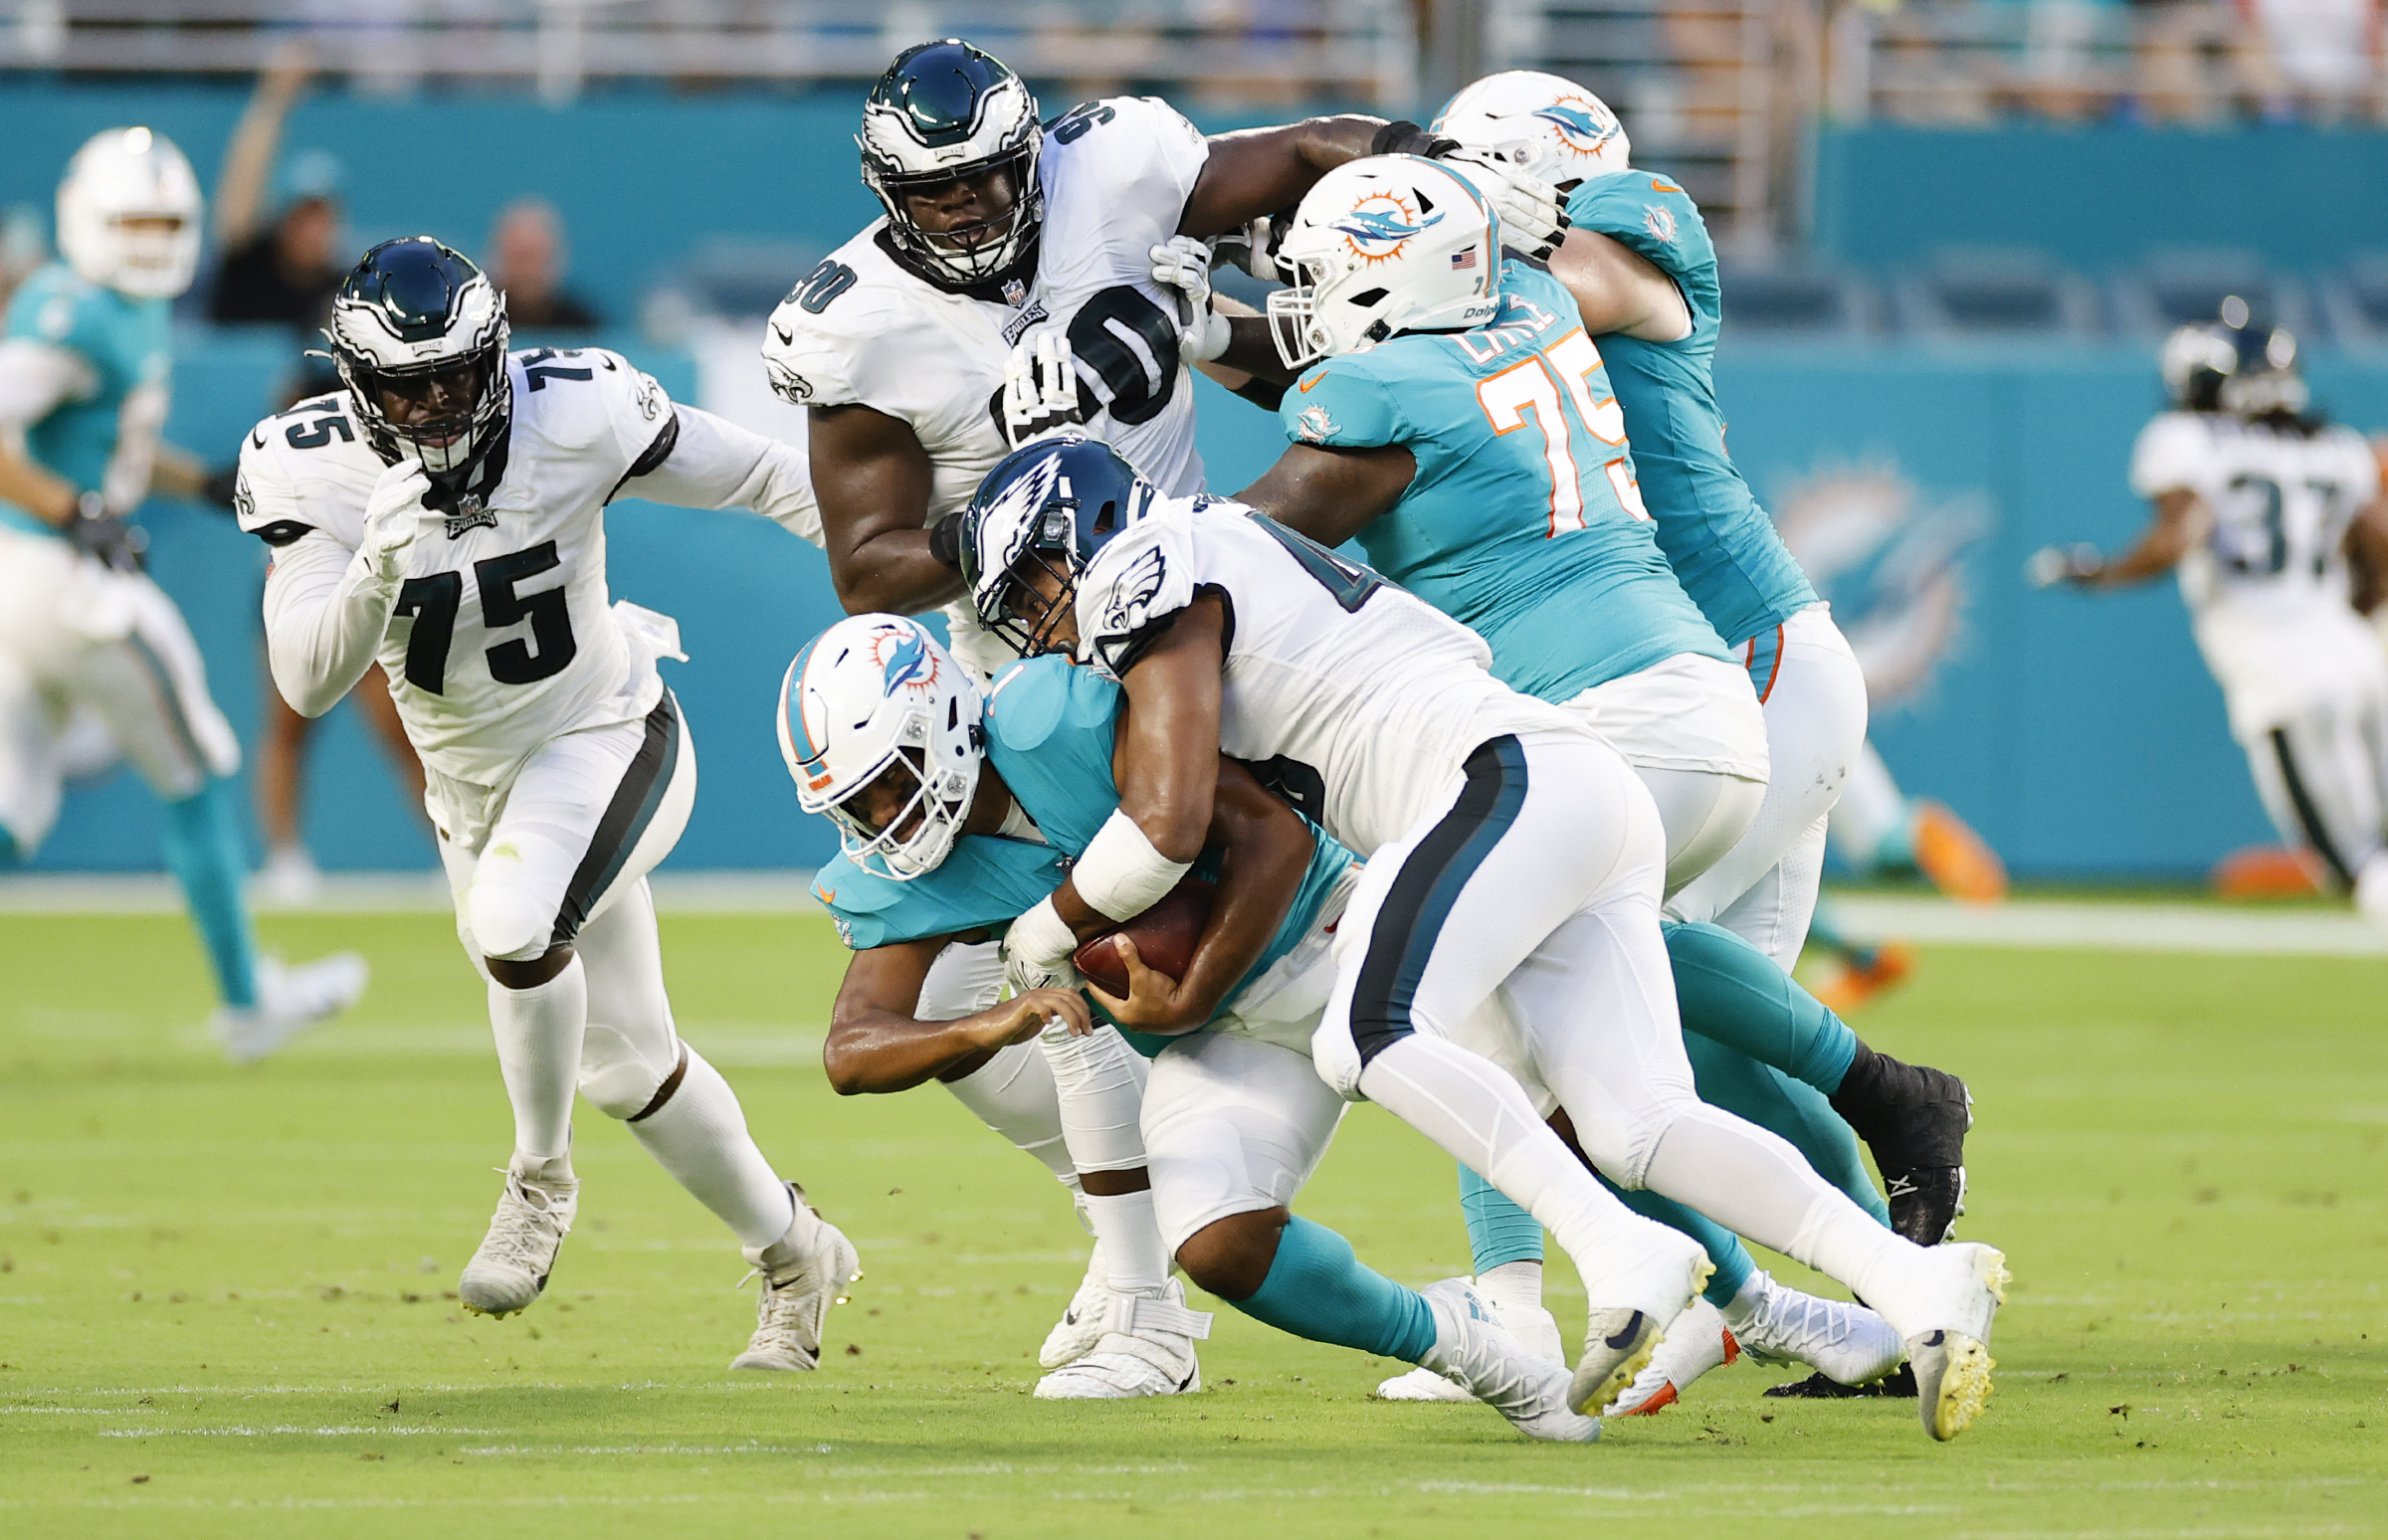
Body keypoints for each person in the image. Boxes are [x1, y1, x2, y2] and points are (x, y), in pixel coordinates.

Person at [963, 434, 2011, 1441]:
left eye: (1034, 585)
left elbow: (1167, 826)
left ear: (1082, 528)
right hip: (1571, 791)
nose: (1041, 620)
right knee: (1641, 1126)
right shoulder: (1216, 543)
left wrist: (1041, 932)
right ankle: (1914, 1282)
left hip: (1498, 779)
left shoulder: (1153, 560)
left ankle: (1619, 1249)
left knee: (1365, 1037)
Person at [235, 235, 856, 1367]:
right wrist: (372, 570)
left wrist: (883, 590)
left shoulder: (580, 410)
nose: (435, 407)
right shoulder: (307, 463)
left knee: (515, 930)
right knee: (630, 1063)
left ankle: (538, 1180)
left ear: (498, 355)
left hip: (606, 730)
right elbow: (307, 681)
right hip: (473, 793)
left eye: (457, 377)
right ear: (354, 383)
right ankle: (796, 1253)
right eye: (405, 386)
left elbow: (771, 476)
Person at [759, 36, 1562, 684]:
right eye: (933, 192)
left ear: (1031, 159)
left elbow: (1311, 146)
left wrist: (1428, 160)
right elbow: (865, 574)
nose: (962, 208)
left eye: (983, 180)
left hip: (1202, 592)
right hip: (1040, 654)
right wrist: (997, 529)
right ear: (887, 191)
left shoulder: (1111, 168)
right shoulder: (858, 326)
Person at [0, 126, 365, 1062]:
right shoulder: (71, 309)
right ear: (89, 217)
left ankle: (250, 994)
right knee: (196, 766)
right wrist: (75, 510)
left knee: (14, 807)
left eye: (167, 220)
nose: (151, 236)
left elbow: (107, 451)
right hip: (64, 580)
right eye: (134, 218)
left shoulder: (126, 306)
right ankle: (248, 1002)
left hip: (29, 576)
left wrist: (200, 482)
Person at [2033, 306, 2388, 930]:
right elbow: (2378, 551)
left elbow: (2181, 534)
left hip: (2285, 675)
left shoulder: (2189, 442)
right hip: (2362, 659)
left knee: (2356, 866)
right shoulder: (2340, 450)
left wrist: (2101, 573)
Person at [487, 198, 601, 332]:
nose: (525, 270)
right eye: (519, 257)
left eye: (533, 256)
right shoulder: (476, 319)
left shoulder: (581, 326)